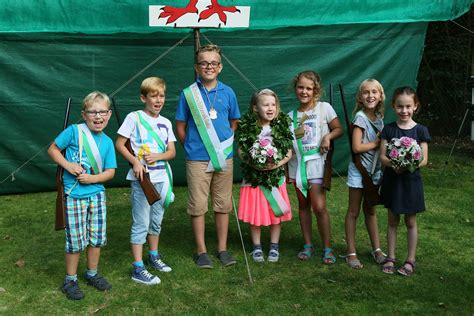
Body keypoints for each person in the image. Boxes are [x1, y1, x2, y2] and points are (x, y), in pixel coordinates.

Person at [175, 44, 240, 268]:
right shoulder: (188, 94)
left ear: (220, 67)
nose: (209, 67)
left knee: (223, 204)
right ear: (197, 67)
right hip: (197, 158)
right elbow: (181, 126)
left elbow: (234, 122)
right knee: (198, 204)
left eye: (213, 63)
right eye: (204, 63)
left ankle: (222, 248)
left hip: (224, 156)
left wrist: (223, 147)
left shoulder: (228, 92)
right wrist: (192, 147)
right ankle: (201, 251)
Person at [48, 91, 116, 300]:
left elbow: (110, 171)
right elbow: (53, 149)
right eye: (93, 112)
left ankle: (92, 274)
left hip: (96, 195)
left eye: (102, 112)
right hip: (74, 195)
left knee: (96, 238)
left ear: (109, 114)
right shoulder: (73, 132)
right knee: (76, 240)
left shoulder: (107, 142)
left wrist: (93, 179)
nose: (98, 116)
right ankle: (70, 280)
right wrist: (68, 165)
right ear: (84, 115)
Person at [116, 77, 176, 285]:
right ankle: (138, 267)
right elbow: (120, 144)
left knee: (156, 221)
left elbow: (172, 152)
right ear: (144, 98)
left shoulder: (166, 122)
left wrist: (158, 157)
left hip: (161, 178)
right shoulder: (134, 118)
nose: (158, 100)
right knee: (141, 222)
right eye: (153, 96)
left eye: (161, 95)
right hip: (142, 179)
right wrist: (135, 162)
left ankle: (153, 255)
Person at [287, 70, 343, 264]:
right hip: (298, 166)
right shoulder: (290, 116)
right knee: (303, 206)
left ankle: (327, 248)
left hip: (317, 164)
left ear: (315, 90)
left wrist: (327, 136)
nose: (304, 91)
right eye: (301, 87)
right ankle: (308, 245)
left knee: (319, 207)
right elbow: (288, 144)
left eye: (308, 88)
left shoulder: (324, 108)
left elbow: (339, 129)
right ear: (295, 89)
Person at [237, 89, 293, 263]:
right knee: (256, 211)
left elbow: (288, 152)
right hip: (254, 179)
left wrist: (274, 164)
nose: (270, 108)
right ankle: (257, 246)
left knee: (275, 211)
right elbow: (241, 151)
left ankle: (274, 246)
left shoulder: (281, 126)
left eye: (273, 104)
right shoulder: (248, 127)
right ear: (255, 108)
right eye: (265, 104)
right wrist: (255, 164)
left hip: (275, 178)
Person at [379, 86, 430, 276]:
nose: (404, 111)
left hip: (411, 181)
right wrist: (394, 164)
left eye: (408, 106)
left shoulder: (421, 131)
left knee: (410, 221)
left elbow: (424, 159)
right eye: (400, 106)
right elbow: (382, 157)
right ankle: (390, 257)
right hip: (393, 180)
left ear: (415, 106)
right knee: (392, 220)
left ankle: (410, 259)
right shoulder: (389, 129)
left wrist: (409, 163)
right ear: (394, 106)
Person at [343, 79, 387, 269]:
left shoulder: (379, 119)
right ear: (360, 98)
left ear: (380, 96)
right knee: (353, 211)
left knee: (370, 210)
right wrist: (377, 143)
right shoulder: (360, 118)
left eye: (374, 92)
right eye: (366, 92)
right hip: (359, 171)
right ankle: (351, 253)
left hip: (374, 172)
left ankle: (376, 249)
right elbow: (357, 146)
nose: (370, 96)